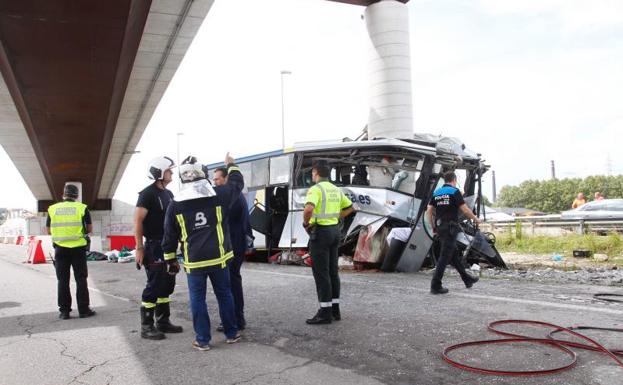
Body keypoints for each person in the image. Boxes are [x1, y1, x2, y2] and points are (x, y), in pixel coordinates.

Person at [162, 154, 244, 351]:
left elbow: (169, 235)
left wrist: (170, 260)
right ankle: (231, 333)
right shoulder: (219, 194)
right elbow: (237, 183)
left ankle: (203, 339)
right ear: (203, 175)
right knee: (224, 294)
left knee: (197, 299)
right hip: (219, 258)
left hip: (194, 261)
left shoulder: (175, 204)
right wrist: (231, 165)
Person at [134, 156, 183, 340]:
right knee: (154, 285)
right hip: (154, 245)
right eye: (169, 170)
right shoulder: (147, 194)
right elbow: (138, 221)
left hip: (168, 244)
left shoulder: (168, 194)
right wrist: (139, 248)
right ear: (160, 173)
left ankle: (163, 321)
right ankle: (146, 326)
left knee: (167, 283)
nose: (172, 173)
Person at [302, 160, 354, 324]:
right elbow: (351, 207)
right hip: (334, 232)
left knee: (321, 273)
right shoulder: (335, 189)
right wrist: (336, 217)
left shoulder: (315, 189)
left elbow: (309, 209)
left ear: (315, 173)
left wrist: (306, 224)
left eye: (312, 173)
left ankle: (325, 312)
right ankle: (335, 310)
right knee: (332, 272)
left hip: (321, 233)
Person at [46, 184, 96, 319]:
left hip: (60, 249)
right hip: (78, 249)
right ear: (76, 196)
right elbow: (89, 228)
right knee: (81, 279)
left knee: (62, 280)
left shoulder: (53, 209)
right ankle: (84, 310)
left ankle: (64, 312)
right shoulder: (82, 208)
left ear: (63, 195)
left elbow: (48, 230)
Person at [426, 171, 480, 295]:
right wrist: (476, 219)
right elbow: (465, 210)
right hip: (450, 228)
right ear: (454, 180)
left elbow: (429, 211)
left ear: (445, 180)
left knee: (453, 254)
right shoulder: (454, 192)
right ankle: (435, 285)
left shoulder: (437, 192)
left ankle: (467, 279)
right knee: (445, 256)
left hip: (440, 227)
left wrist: (433, 226)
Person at [213, 167, 253, 332]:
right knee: (234, 280)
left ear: (226, 178)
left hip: (232, 244)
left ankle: (233, 319)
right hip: (237, 243)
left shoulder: (231, 197)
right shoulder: (237, 196)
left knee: (228, 283)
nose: (215, 182)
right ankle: (238, 317)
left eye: (217, 179)